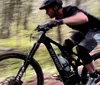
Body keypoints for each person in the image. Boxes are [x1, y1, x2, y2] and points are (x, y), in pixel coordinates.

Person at [39, 0, 100, 79]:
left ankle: (94, 75)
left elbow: (84, 18)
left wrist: (60, 21)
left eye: (47, 9)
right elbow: (54, 22)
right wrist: (44, 26)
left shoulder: (70, 10)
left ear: (55, 7)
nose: (46, 13)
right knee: (66, 46)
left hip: (97, 31)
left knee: (81, 49)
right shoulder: (59, 16)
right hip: (85, 32)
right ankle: (68, 73)